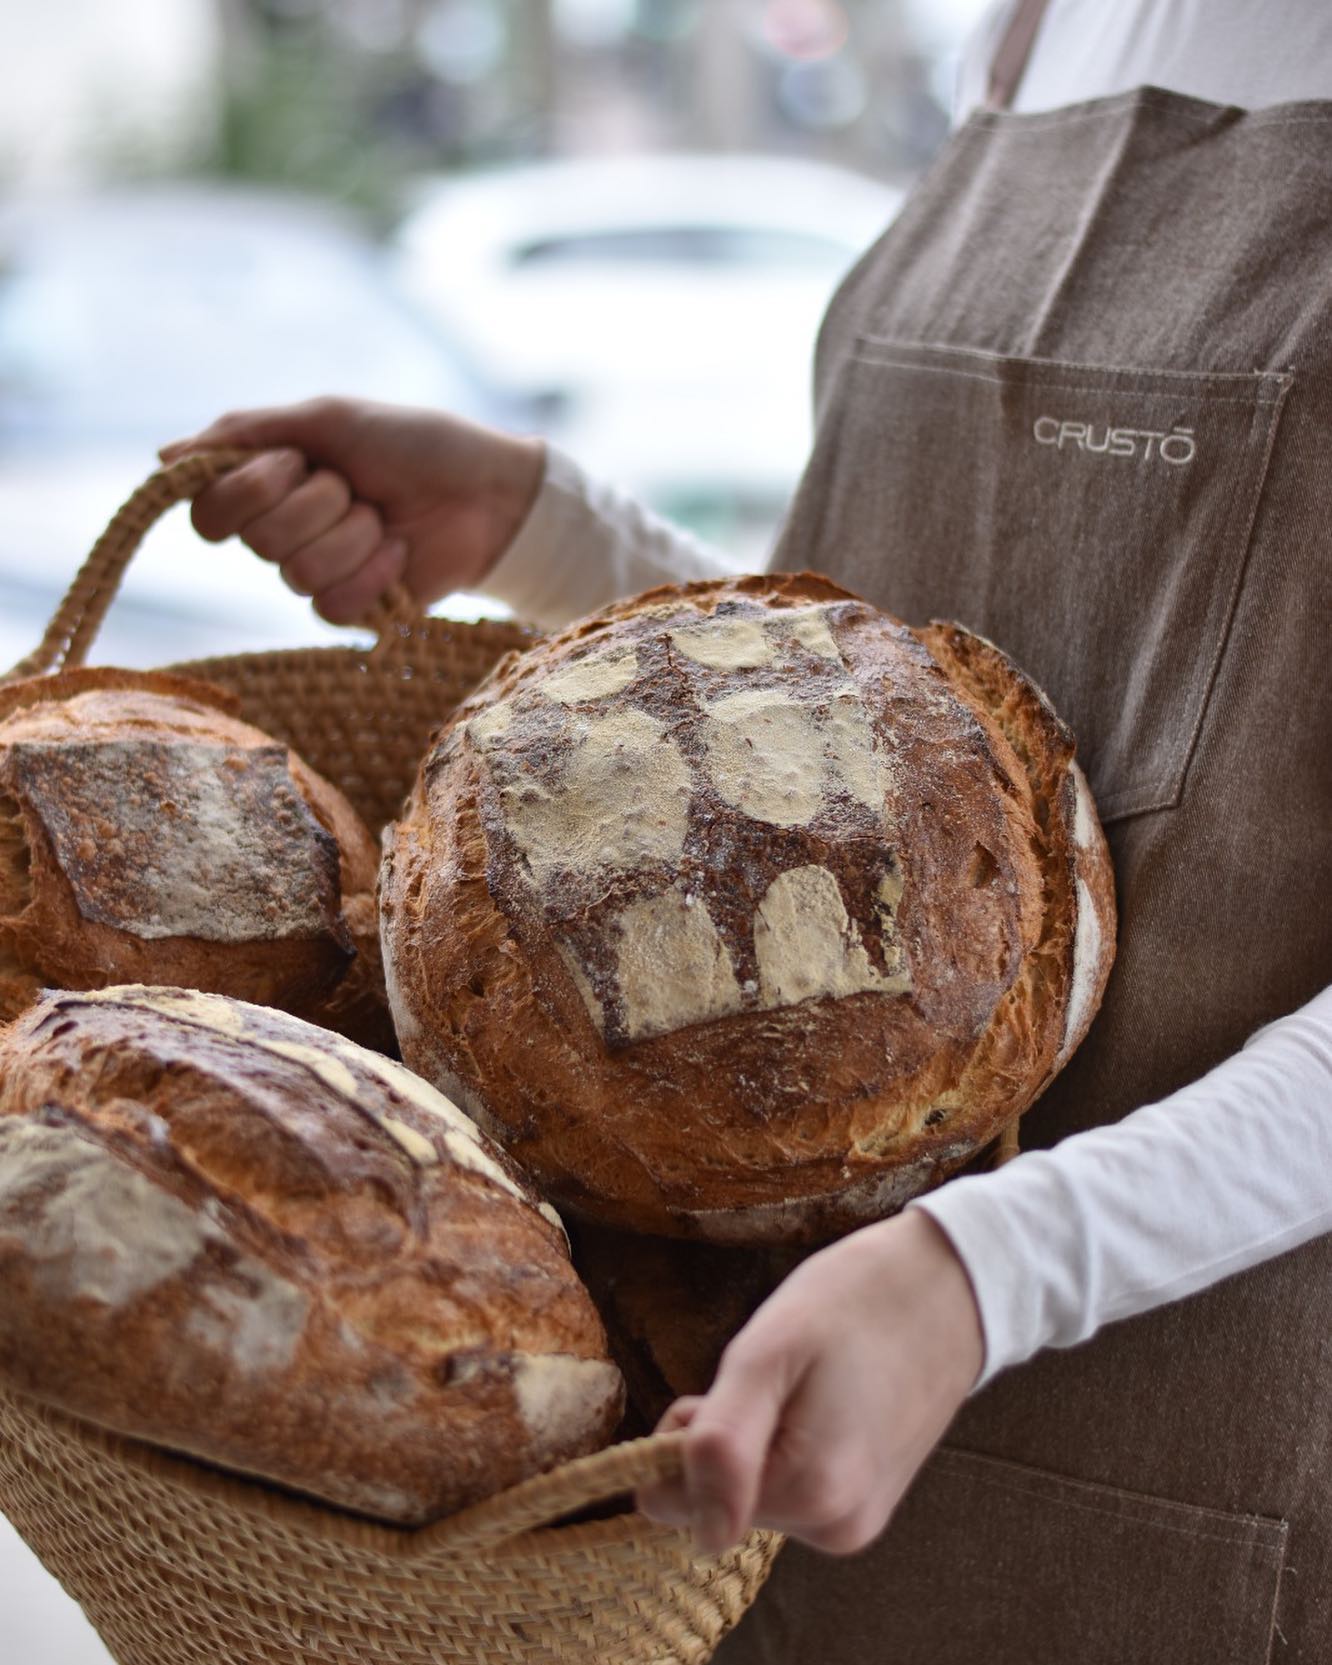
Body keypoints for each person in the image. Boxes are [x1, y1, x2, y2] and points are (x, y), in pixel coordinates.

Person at [160, 1, 1332, 1657]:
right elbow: (870, 778)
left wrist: (991, 1269)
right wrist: (540, 526)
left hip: (1173, 1446)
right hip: (750, 1456)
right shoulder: (1038, 34)